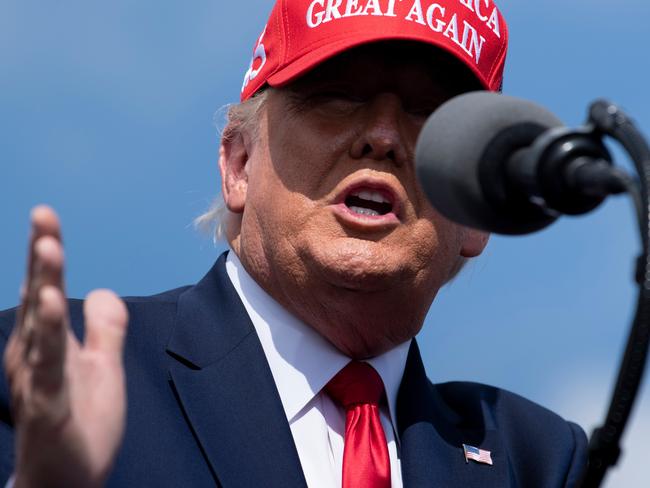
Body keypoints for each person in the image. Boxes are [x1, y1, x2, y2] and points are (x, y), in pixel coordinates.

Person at [0, 0, 588, 486]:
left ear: (477, 211)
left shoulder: (535, 459)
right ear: (238, 163)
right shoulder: (45, 374)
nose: (383, 136)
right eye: (336, 96)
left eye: (431, 115)